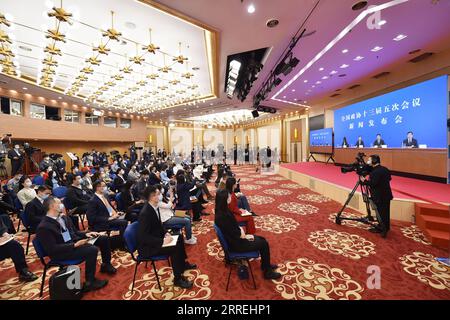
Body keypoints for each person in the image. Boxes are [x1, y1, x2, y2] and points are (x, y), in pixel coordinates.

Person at [36, 196, 112, 292]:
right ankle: (90, 282)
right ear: (52, 206)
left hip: (72, 243)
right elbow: (52, 249)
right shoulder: (44, 227)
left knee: (103, 239)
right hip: (62, 252)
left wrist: (86, 234)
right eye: (59, 203)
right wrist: (75, 245)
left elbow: (74, 233)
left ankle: (106, 264)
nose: (62, 205)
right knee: (92, 250)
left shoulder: (63, 218)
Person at [137, 185, 197, 289]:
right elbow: (143, 237)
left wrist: (165, 233)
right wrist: (162, 241)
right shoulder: (145, 213)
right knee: (175, 248)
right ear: (152, 197)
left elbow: (159, 225)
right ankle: (177, 279)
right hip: (149, 247)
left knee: (178, 237)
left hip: (157, 239)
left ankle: (182, 264)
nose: (160, 195)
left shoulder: (154, 207)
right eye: (158, 194)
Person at [214, 189, 281, 280]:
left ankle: (266, 265)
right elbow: (238, 233)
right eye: (228, 196)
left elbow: (234, 229)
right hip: (237, 244)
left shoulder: (221, 211)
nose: (230, 197)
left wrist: (243, 233)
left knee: (262, 239)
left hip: (235, 240)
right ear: (225, 199)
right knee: (264, 243)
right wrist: (245, 236)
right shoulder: (223, 216)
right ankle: (267, 272)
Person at [360, 155, 393, 236]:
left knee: (380, 212)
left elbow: (372, 184)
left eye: (369, 160)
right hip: (387, 194)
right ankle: (386, 227)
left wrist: (364, 181)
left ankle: (382, 228)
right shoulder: (384, 169)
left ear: (373, 161)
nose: (368, 162)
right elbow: (389, 178)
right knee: (386, 212)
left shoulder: (375, 172)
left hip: (379, 196)